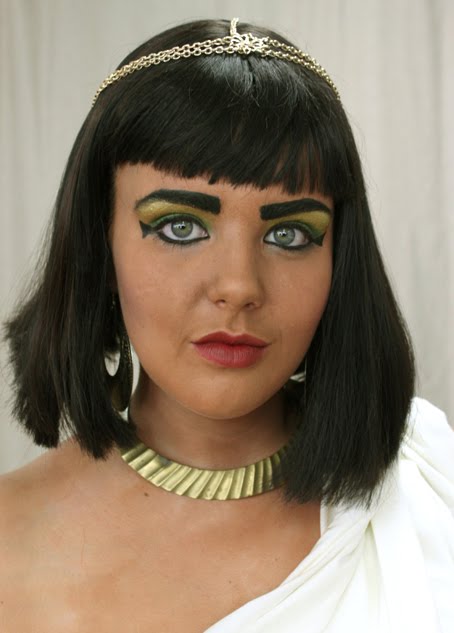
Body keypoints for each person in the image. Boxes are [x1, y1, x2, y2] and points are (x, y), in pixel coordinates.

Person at [1, 17, 453, 633]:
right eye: (180, 227)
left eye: (290, 234)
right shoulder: (9, 544)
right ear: (98, 247)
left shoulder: (433, 497)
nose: (239, 286)